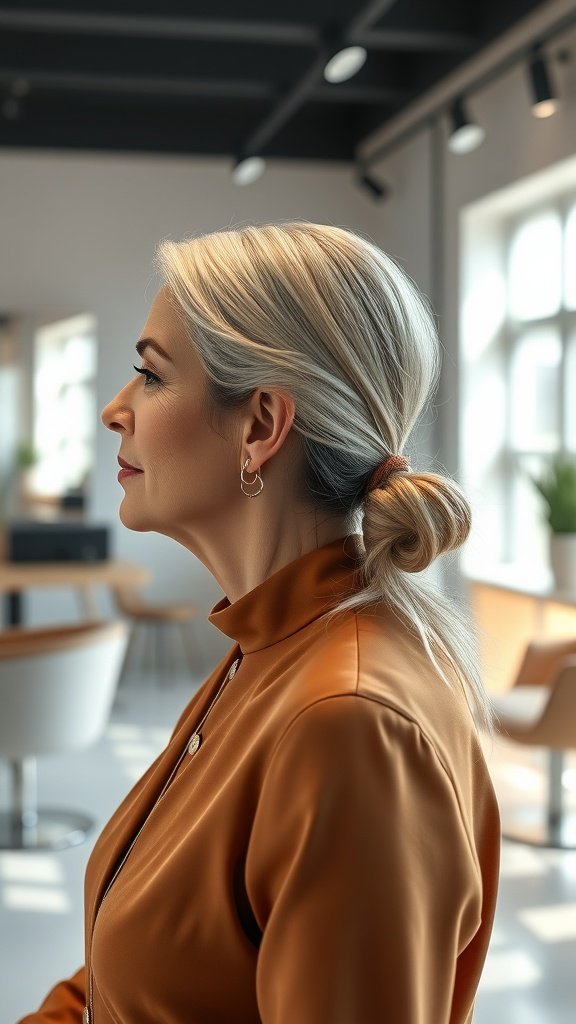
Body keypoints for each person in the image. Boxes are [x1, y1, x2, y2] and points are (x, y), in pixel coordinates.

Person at [19, 222, 500, 1024]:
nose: (115, 409)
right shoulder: (265, 650)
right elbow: (142, 979)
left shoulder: (345, 722)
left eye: (150, 375)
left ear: (261, 426)